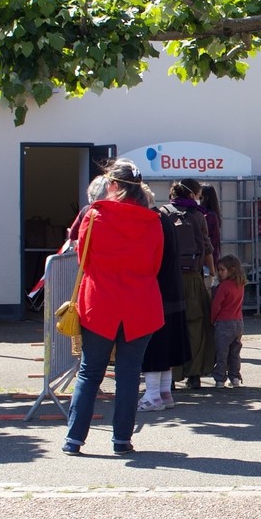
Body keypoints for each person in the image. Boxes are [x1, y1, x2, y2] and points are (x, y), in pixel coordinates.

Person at [61, 160, 164, 456]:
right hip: (140, 304)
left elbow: (84, 259)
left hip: (100, 302)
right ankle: (121, 441)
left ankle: (74, 440)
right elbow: (154, 265)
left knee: (89, 373)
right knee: (129, 375)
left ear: (114, 186)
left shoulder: (95, 216)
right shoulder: (152, 221)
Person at [138, 194, 191, 412]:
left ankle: (152, 396)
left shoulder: (151, 222)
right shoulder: (165, 219)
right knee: (166, 344)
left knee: (154, 345)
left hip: (156, 291)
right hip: (172, 290)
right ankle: (163, 392)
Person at [163, 179, 217, 388]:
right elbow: (207, 247)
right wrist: (211, 274)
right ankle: (194, 374)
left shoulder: (163, 213)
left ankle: (170, 376)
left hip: (168, 280)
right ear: (193, 194)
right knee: (196, 325)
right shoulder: (198, 215)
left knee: (170, 326)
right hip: (193, 277)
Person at [211, 254, 246, 388]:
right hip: (238, 322)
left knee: (222, 353)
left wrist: (212, 319)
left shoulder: (224, 286)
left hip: (224, 323)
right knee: (235, 353)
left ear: (231, 270)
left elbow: (216, 305)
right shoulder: (240, 285)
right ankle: (235, 376)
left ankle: (220, 378)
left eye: (222, 270)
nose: (219, 272)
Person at [198, 182, 223, 258]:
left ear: (206, 198)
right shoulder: (213, 215)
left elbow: (212, 243)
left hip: (204, 260)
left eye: (199, 196)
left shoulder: (209, 216)